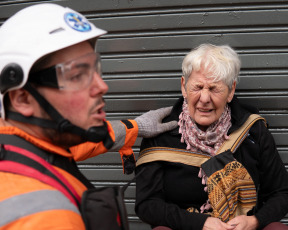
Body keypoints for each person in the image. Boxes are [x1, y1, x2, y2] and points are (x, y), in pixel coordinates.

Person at [0, 3, 177, 229]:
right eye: (76, 75)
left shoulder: (25, 145)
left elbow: (84, 143)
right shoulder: (47, 217)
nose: (102, 86)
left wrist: (135, 127)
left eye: (95, 69)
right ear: (22, 99)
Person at [135, 44, 288, 230]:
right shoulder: (160, 134)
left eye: (214, 89)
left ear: (231, 90)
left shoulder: (253, 131)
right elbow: (147, 205)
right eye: (198, 87)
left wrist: (254, 221)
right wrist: (200, 223)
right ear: (184, 87)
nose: (204, 98)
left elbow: (282, 193)